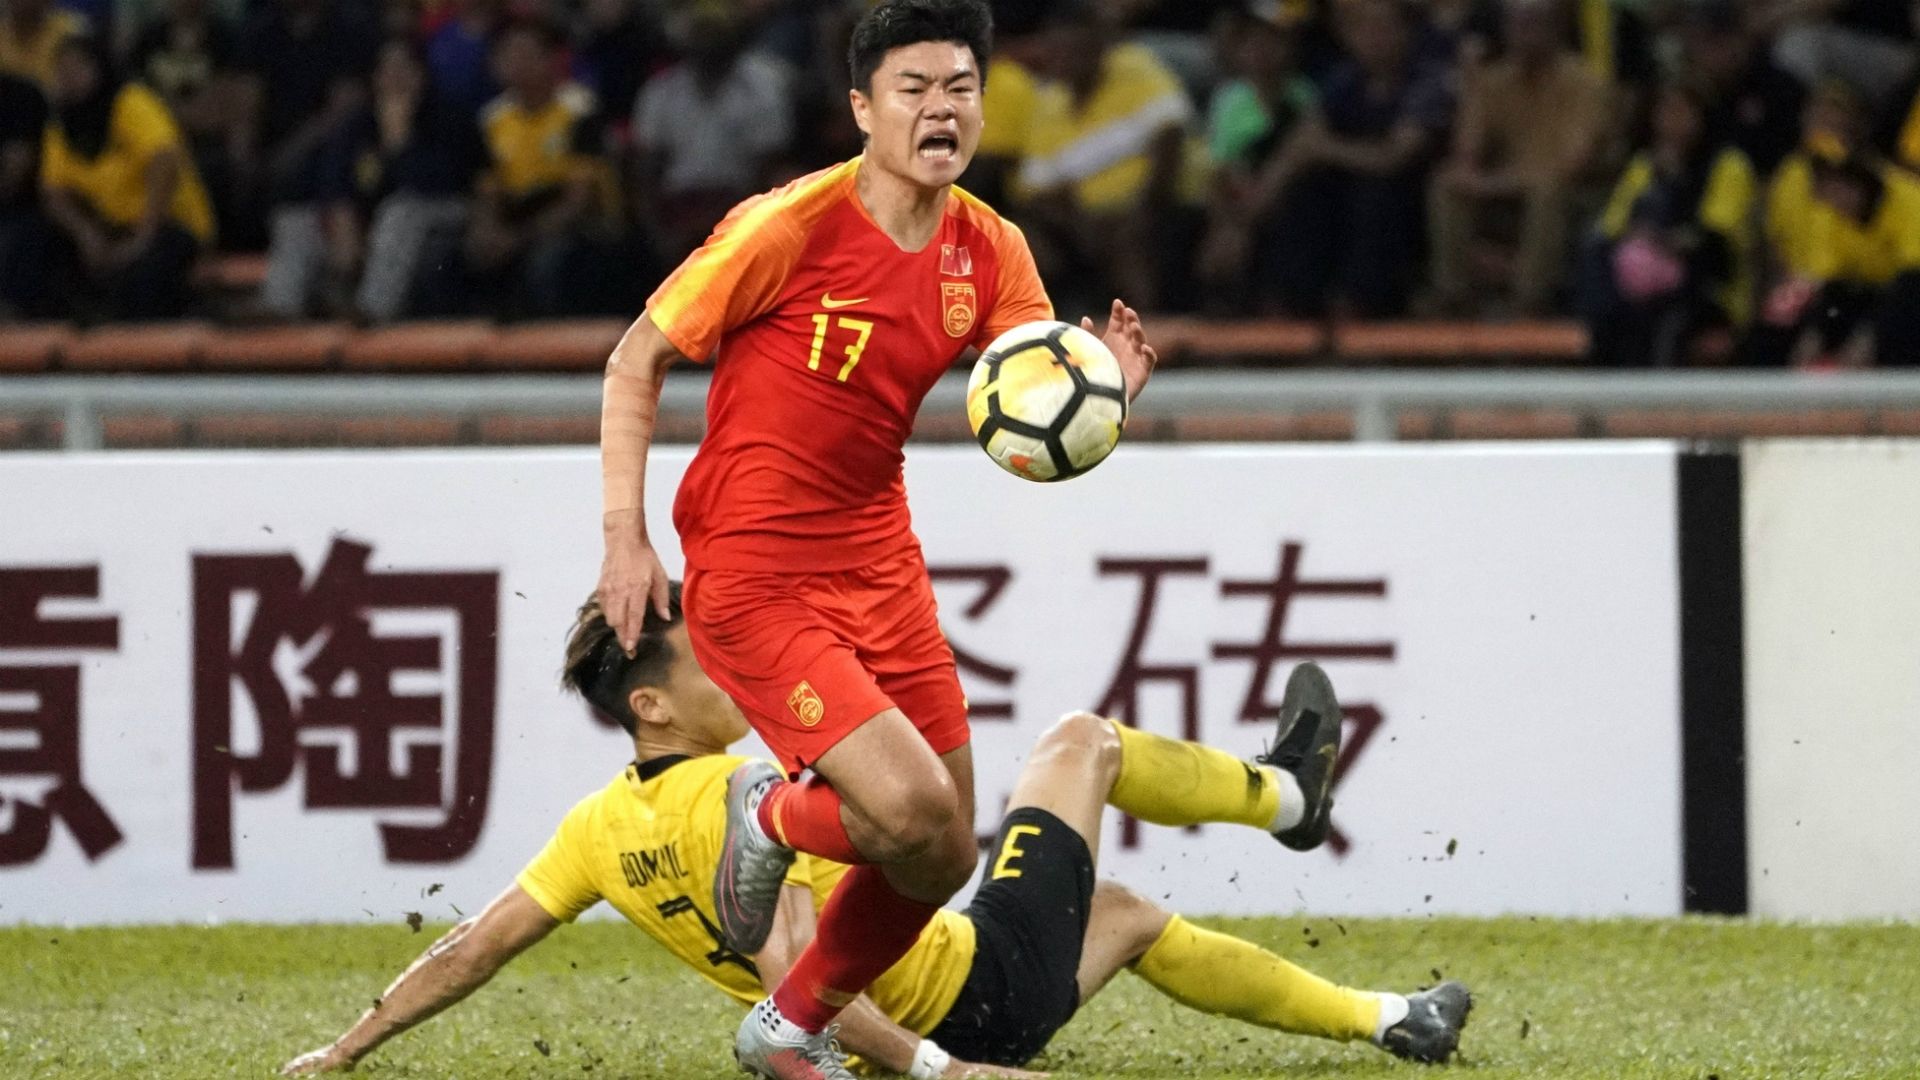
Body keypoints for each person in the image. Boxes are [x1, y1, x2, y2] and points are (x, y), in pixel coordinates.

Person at [593, 3, 1159, 1077]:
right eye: (914, 89)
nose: (941, 108)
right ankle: (769, 814)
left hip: (879, 559)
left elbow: (1028, 424)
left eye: (961, 88)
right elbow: (635, 361)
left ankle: (789, 1022)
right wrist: (626, 538)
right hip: (755, 573)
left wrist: (1104, 398)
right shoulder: (786, 227)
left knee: (942, 848)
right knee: (896, 808)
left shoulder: (991, 248)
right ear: (863, 108)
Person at [280, 590, 1472, 1078]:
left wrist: (347, 1048)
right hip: (969, 995)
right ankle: (1288, 798)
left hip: (973, 984)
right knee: (1076, 744)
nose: (731, 664)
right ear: (649, 704)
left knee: (1130, 920)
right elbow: (791, 975)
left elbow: (471, 950)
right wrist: (938, 1071)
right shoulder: (753, 795)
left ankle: (1391, 1019)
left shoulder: (599, 830)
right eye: (706, 658)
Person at [1428, 0, 1605, 316]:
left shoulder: (1586, 84)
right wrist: (1470, 84)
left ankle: (1528, 302)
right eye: (1516, 23)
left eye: (1533, 23)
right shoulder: (1492, 81)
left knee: (1548, 192)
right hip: (1505, 194)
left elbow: (1572, 165)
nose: (1523, 33)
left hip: (1569, 197)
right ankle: (1452, 297)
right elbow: (1466, 155)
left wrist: (1492, 183)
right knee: (1447, 185)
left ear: (1556, 28)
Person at [38, 32, 214, 320]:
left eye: (78, 68)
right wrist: (87, 235)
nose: (70, 78)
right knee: (37, 246)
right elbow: (53, 191)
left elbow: (165, 160)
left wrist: (143, 236)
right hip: (109, 228)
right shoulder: (62, 121)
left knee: (141, 276)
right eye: (62, 71)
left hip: (167, 226)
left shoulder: (130, 102)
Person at [1581, 80, 1756, 367]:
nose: (1671, 121)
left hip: (1709, 286)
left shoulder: (1728, 166)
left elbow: (1715, 239)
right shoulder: (1645, 164)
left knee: (1659, 315)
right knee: (1603, 280)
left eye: (1681, 111)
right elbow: (1613, 226)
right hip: (1643, 281)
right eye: (1664, 111)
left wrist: (1673, 195)